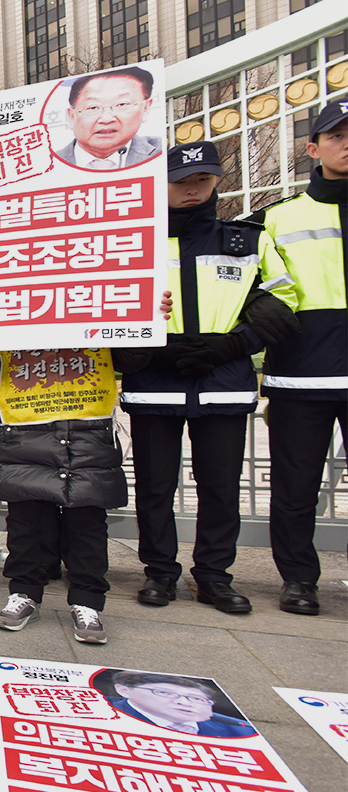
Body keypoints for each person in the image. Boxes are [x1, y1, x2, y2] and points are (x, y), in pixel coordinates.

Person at [122, 142, 297, 615]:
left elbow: (284, 301)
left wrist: (234, 344)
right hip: (155, 378)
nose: (193, 188)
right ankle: (159, 572)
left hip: (223, 378)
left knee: (219, 486)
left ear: (217, 180)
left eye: (202, 178)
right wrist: (151, 348)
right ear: (161, 185)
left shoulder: (247, 240)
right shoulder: (135, 242)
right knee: (154, 487)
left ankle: (215, 576)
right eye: (181, 181)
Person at [0, 344, 156, 645]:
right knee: (26, 520)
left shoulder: (98, 296)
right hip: (25, 424)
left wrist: (145, 317)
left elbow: (133, 359)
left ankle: (87, 601)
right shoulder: (5, 299)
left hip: (88, 425)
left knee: (87, 521)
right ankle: (25, 593)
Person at [246, 98, 348, 616]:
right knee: (295, 487)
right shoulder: (278, 217)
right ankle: (298, 580)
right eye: (337, 135)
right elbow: (229, 265)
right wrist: (258, 306)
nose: (346, 143)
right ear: (313, 148)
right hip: (301, 374)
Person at [55, 67, 162, 170]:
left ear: (146, 108)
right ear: (72, 116)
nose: (107, 119)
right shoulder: (48, 166)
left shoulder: (162, 154)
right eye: (93, 107)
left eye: (121, 104)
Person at [107, 671, 257, 738]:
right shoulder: (102, 710)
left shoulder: (240, 731)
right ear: (124, 690)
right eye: (164, 693)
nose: (183, 702)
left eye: (196, 699)